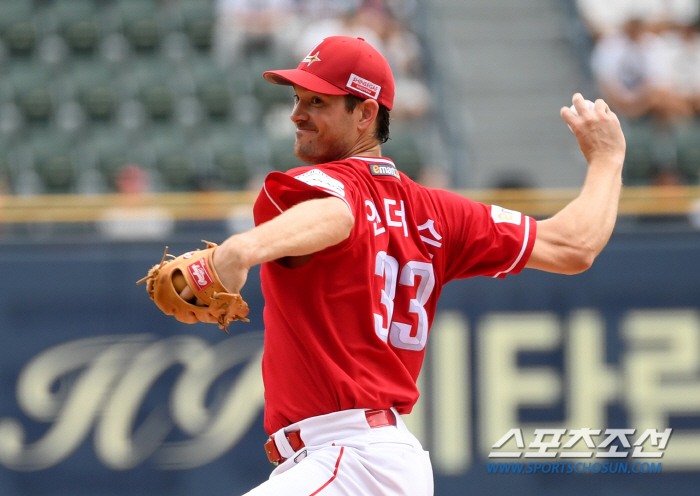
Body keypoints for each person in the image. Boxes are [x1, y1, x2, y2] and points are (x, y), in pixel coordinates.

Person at [206, 36, 625, 496]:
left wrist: (240, 250)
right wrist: (606, 161)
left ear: (365, 114)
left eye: (318, 102)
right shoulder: (441, 212)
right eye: (298, 98)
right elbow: (573, 245)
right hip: (372, 460)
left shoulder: (318, 185)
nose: (297, 113)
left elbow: (338, 214)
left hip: (348, 459)